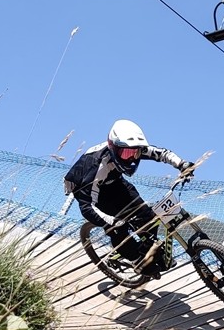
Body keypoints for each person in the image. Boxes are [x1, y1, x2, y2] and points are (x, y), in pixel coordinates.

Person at [64, 119, 194, 277]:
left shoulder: (131, 149)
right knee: (118, 228)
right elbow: (87, 207)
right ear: (113, 147)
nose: (132, 158)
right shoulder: (97, 165)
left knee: (146, 216)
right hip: (87, 191)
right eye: (127, 154)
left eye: (136, 153)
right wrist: (113, 222)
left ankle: (148, 249)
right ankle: (136, 260)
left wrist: (182, 164)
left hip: (114, 182)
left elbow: (162, 154)